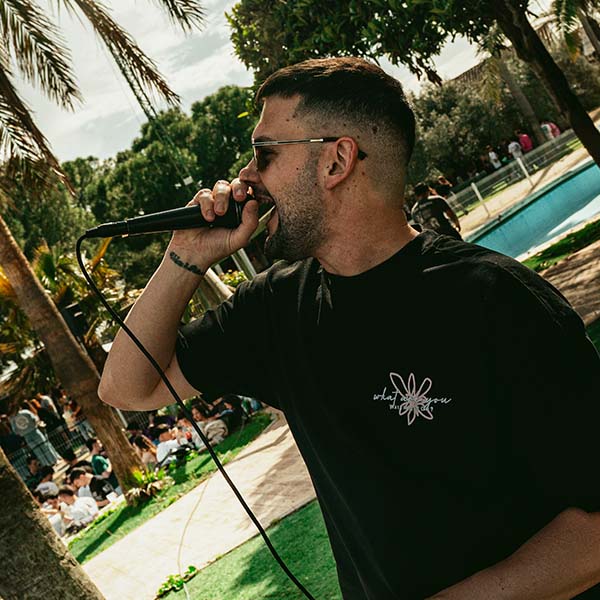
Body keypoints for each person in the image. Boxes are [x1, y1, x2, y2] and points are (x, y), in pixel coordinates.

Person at [99, 57, 600, 599]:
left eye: (264, 155)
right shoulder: (275, 307)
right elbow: (127, 388)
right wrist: (185, 256)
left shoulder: (497, 299)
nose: (245, 178)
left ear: (336, 161)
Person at [10, 401, 60, 466]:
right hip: (34, 431)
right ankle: (53, 460)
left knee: (37, 450)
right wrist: (33, 425)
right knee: (44, 446)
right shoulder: (25, 412)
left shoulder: (12, 419)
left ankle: (46, 464)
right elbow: (35, 419)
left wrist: (21, 433)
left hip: (26, 435)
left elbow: (15, 430)